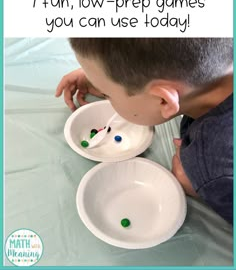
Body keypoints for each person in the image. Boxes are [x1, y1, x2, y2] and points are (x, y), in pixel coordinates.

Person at [56, 38, 233, 224]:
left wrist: (202, 187)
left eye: (107, 93)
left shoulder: (212, 167)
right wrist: (107, 77)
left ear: (163, 100)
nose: (104, 93)